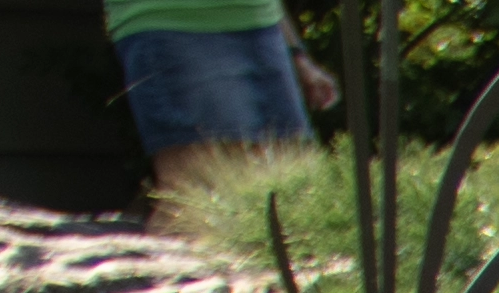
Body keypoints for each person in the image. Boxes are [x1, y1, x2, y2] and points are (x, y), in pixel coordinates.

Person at [105, 0, 336, 189]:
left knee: (293, 189)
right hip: (172, 22)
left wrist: (296, 54)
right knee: (199, 195)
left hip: (262, 25)